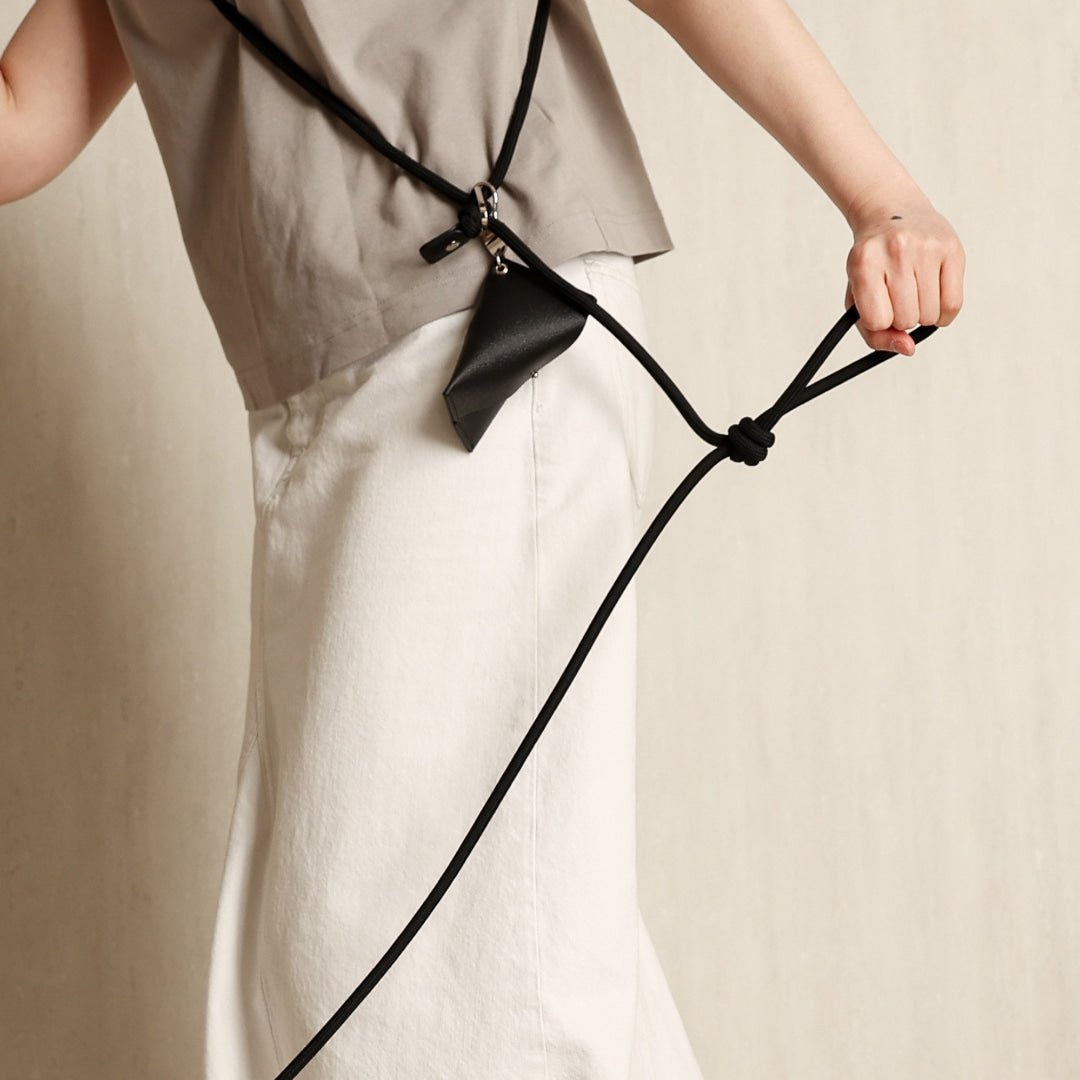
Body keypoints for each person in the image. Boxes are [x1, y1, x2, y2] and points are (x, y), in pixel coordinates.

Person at [1, 1, 965, 1078]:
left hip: (487, 330)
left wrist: (881, 195)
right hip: (308, 393)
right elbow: (27, 112)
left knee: (434, 966)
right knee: (460, 936)